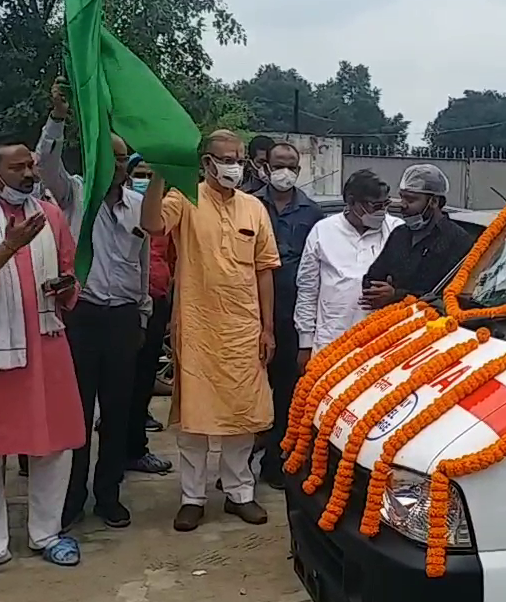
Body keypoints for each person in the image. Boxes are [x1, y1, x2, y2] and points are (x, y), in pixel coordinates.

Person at [0, 133, 87, 579]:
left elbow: (69, 276)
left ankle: (47, 534)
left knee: (54, 446)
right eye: (17, 168)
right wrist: (9, 246)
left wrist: (67, 290)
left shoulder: (50, 215)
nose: (28, 174)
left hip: (47, 347)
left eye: (31, 166)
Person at [140, 129, 280, 532]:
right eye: (226, 158)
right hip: (198, 328)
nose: (234, 165)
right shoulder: (185, 198)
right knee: (195, 420)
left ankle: (240, 494)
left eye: (239, 158)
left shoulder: (254, 208)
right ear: (206, 163)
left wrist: (267, 328)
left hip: (244, 329)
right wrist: (161, 174)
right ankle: (192, 497)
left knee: (243, 417)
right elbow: (151, 224)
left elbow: (265, 270)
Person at [34, 80, 151, 530]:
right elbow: (44, 163)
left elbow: (140, 265)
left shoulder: (138, 206)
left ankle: (108, 495)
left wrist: (141, 314)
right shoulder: (74, 195)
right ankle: (71, 497)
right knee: (77, 412)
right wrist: (58, 117)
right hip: (80, 317)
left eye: (124, 160)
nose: (119, 166)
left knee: (118, 412)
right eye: (112, 157)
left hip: (122, 318)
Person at [255, 142, 321, 489]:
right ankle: (235, 466)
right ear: (265, 166)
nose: (285, 172)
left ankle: (274, 461)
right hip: (248, 313)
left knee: (285, 392)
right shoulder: (248, 202)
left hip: (292, 316)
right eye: (279, 165)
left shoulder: (310, 211)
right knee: (247, 391)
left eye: (292, 167)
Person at [296, 169, 398, 362]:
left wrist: (395, 293)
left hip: (381, 342)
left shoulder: (396, 229)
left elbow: (414, 286)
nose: (382, 212)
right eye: (375, 206)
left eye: (386, 204)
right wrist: (305, 342)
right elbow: (307, 290)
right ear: (351, 202)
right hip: (331, 340)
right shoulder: (323, 230)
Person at [362, 164, 473, 310]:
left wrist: (396, 295)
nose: (403, 205)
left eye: (411, 200)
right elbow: (373, 277)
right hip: (389, 321)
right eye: (402, 197)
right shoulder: (400, 234)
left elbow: (447, 296)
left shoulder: (457, 240)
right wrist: (378, 291)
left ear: (434, 202)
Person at [126, 156, 174, 475]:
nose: (144, 179)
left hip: (156, 303)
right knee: (117, 385)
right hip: (120, 306)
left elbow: (173, 259)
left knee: (143, 379)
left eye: (150, 174)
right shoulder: (120, 207)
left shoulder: (167, 213)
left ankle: (135, 449)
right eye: (139, 174)